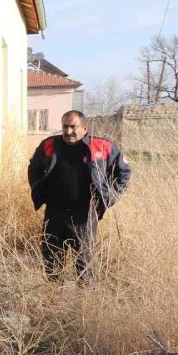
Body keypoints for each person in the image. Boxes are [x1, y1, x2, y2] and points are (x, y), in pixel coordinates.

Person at [27, 109, 131, 280]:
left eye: (73, 127)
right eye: (65, 127)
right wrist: (38, 189)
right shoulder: (49, 145)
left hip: (85, 215)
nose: (68, 132)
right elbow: (34, 168)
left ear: (84, 128)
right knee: (51, 262)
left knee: (84, 264)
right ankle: (53, 299)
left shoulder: (102, 146)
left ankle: (84, 301)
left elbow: (124, 172)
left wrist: (109, 196)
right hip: (54, 213)